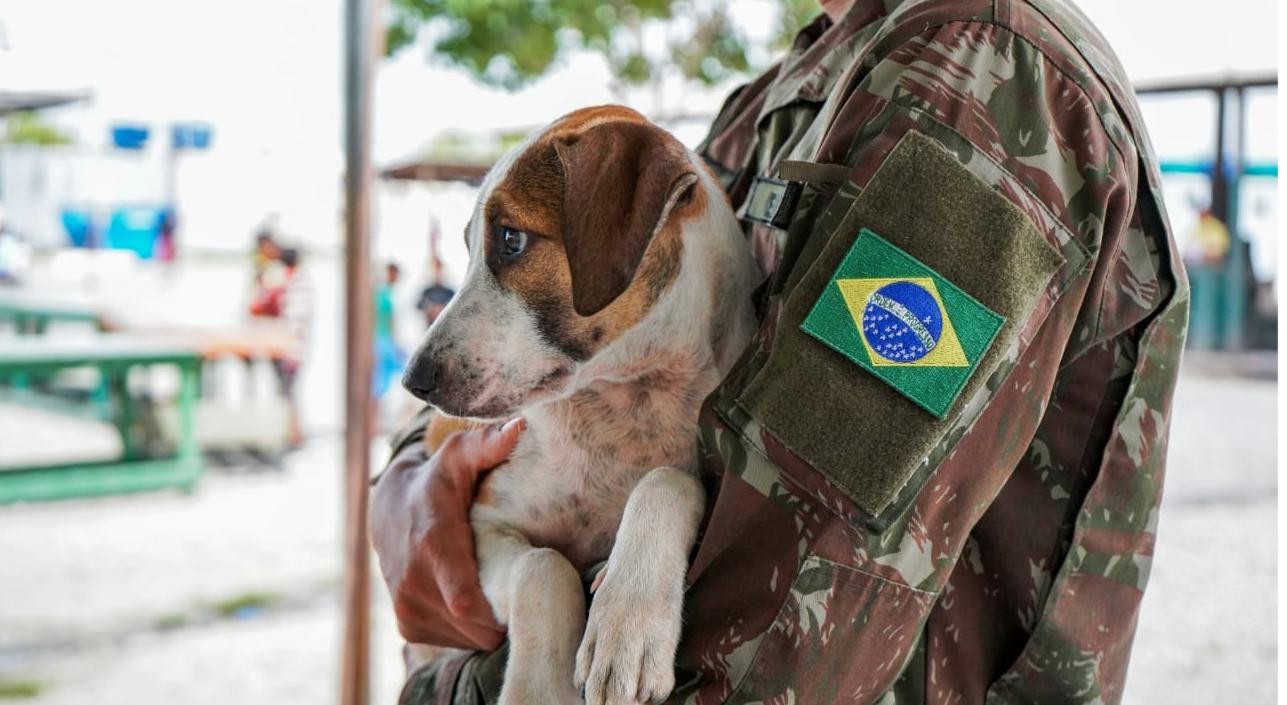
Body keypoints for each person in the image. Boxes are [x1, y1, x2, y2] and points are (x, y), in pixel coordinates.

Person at [369, 0, 1188, 702]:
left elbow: (772, 624)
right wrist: (409, 491)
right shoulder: (786, 89)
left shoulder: (982, 80)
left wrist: (447, 683)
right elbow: (553, 367)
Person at [251, 246, 312, 447]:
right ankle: (293, 433)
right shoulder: (300, 282)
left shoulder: (287, 283)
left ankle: (292, 434)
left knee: (287, 392)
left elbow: (263, 308)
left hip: (289, 349)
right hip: (294, 347)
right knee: (289, 392)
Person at [374, 261, 409, 401]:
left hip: (388, 340)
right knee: (380, 383)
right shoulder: (381, 294)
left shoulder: (389, 293)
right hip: (382, 339)